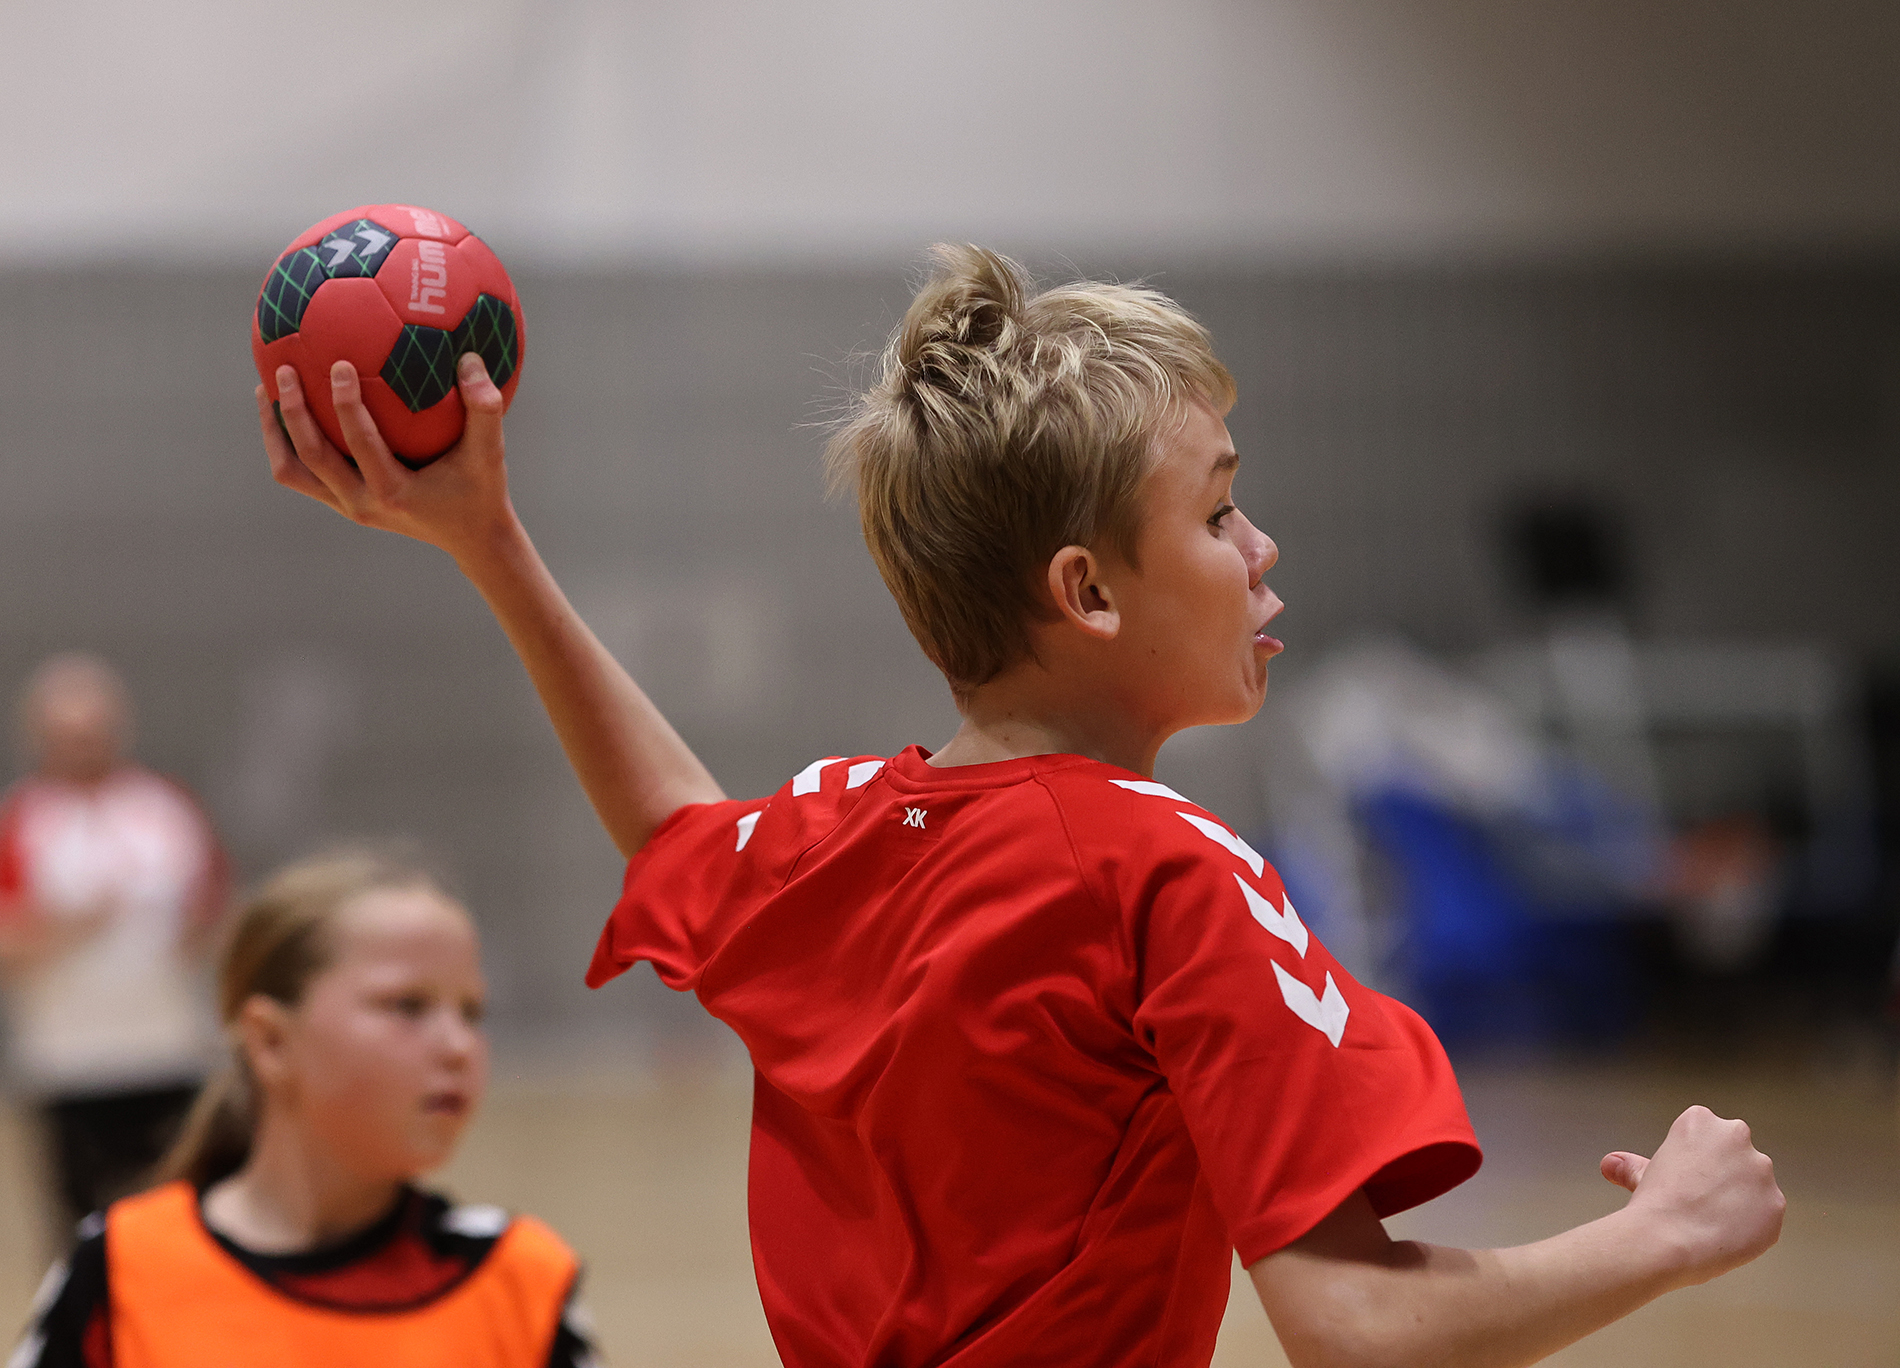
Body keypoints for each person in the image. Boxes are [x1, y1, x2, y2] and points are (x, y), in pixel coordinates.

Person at [256, 245, 1784, 1368]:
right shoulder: (1171, 874)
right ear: (1088, 593)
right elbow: (1358, 1326)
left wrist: (489, 541)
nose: (1261, 546)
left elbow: (676, 836)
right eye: (1219, 508)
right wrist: (1661, 1236)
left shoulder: (850, 826)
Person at [11, 847, 598, 1368]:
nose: (459, 1046)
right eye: (407, 1005)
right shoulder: (120, 1269)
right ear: (270, 1041)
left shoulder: (521, 1281)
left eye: (472, 1013)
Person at [0, 654, 227, 1243]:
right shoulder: (24, 820)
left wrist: (192, 932)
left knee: (184, 1219)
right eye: (66, 736)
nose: (82, 748)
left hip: (168, 1052)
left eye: (92, 733)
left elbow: (218, 911)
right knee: (85, 1231)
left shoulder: (165, 810)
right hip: (69, 1062)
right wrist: (63, 928)